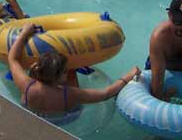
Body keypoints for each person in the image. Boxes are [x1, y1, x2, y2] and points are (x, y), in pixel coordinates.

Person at [8, 23, 141, 116]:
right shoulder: (70, 93)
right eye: (65, 70)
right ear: (60, 76)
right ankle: (75, 67)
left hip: (34, 112)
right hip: (65, 119)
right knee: (73, 76)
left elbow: (12, 59)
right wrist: (128, 76)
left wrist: (24, 33)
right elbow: (105, 94)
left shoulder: (26, 85)